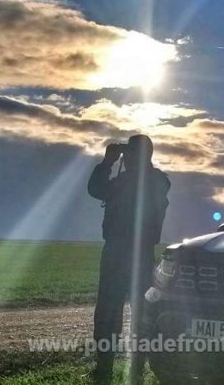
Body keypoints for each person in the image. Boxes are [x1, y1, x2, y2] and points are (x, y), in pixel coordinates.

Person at [87, 134, 170, 385]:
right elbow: (96, 190)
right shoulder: (156, 181)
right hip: (137, 254)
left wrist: (108, 162)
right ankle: (124, 367)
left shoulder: (146, 181)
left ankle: (114, 368)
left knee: (115, 311)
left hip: (122, 252)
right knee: (131, 312)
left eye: (131, 152)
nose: (127, 157)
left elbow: (96, 189)